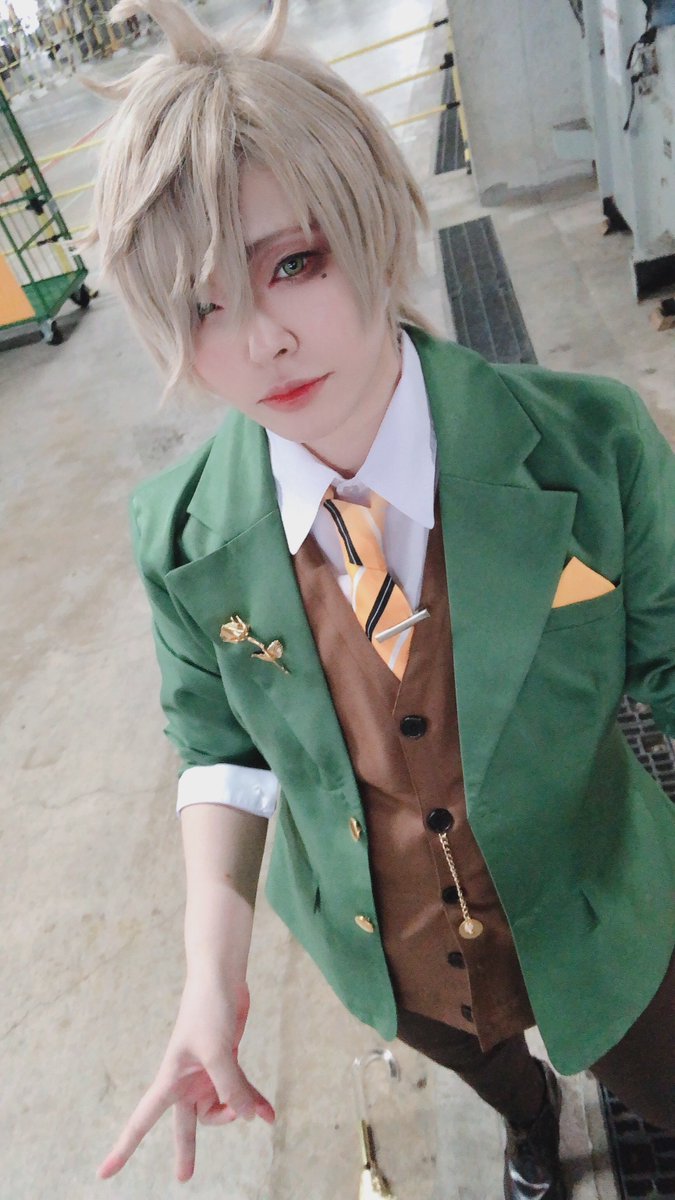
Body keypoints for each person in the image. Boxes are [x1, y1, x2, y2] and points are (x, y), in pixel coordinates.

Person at [85, 0, 675, 1193]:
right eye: (200, 305)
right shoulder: (182, 535)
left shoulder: (592, 447)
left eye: (290, 264)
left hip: (601, 909)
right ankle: (527, 1122)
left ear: (370, 220)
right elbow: (218, 751)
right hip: (393, 951)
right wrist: (211, 974)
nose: (257, 341)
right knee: (492, 1070)